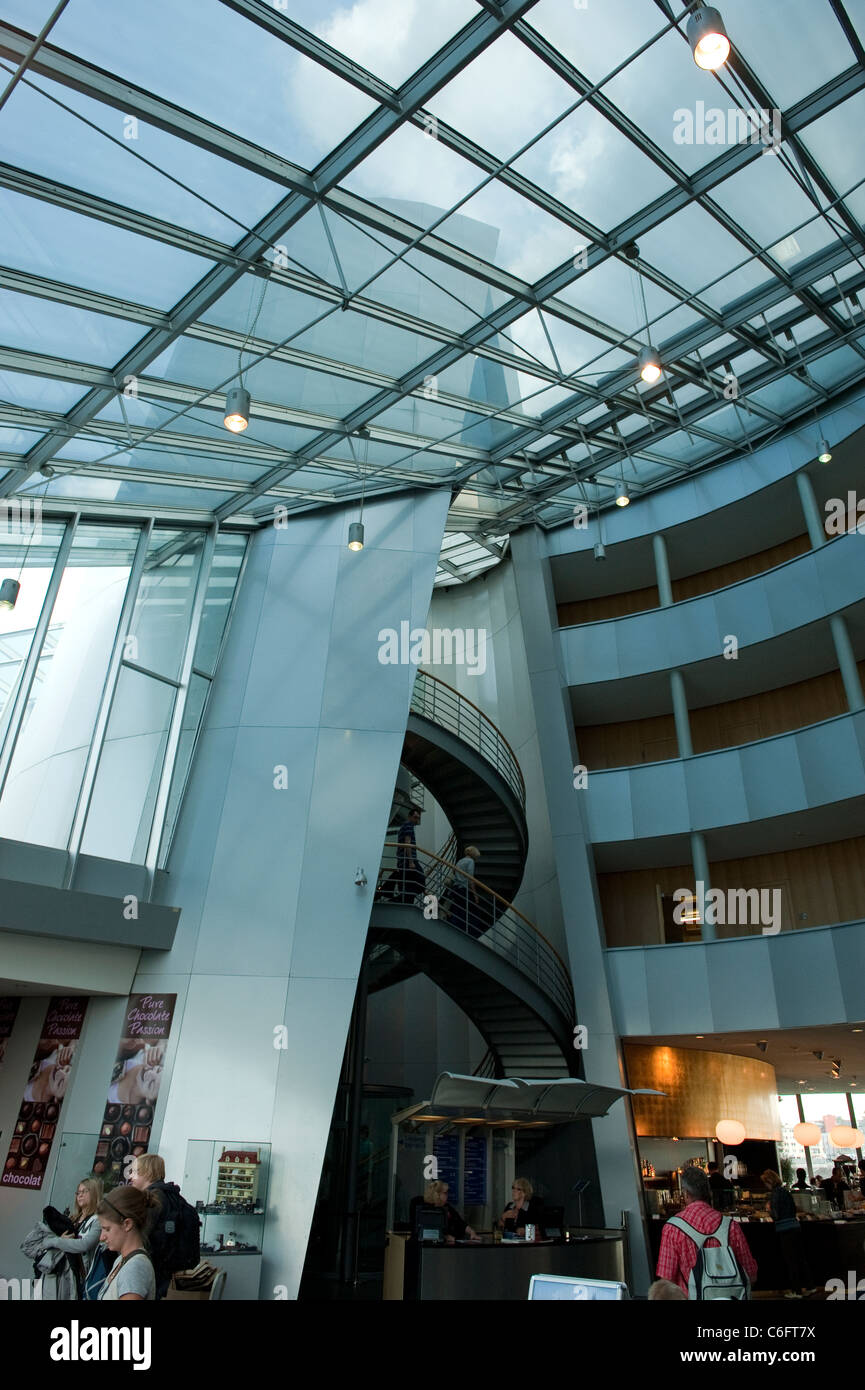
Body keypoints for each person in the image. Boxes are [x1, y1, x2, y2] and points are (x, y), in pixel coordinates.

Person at [656, 1165, 756, 1298]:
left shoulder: (672, 1228)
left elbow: (666, 1280)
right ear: (708, 1192)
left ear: (685, 1193)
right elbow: (751, 1275)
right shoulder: (731, 1226)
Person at [130, 1152, 200, 1298]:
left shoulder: (151, 1201)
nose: (130, 1177)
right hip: (171, 1280)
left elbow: (141, 1242)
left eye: (135, 1172)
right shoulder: (174, 1197)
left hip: (153, 1276)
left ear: (147, 1173)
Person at [41, 1178, 104, 1297]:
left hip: (83, 1278)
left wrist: (57, 1241)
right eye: (78, 1192)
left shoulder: (98, 1220)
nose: (79, 1195)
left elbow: (85, 1245)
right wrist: (59, 1240)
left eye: (84, 1191)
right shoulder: (72, 1218)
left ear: (94, 1193)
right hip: (64, 1275)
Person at [761, 1170, 816, 1299]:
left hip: (785, 1229)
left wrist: (768, 1209)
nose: (765, 1186)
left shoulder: (775, 1194)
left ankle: (796, 1291)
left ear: (769, 1181)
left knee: (791, 1261)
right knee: (801, 1259)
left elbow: (776, 1214)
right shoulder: (785, 1190)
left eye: (765, 1183)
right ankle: (810, 1286)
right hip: (795, 1226)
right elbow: (794, 1208)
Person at [97, 1186, 158, 1301]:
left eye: (107, 1229)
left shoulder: (135, 1267)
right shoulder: (121, 1260)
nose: (102, 1237)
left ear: (127, 1224)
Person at [422, 1179, 479, 1243]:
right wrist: (444, 1237)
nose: (447, 1195)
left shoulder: (448, 1207)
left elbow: (460, 1223)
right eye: (445, 1193)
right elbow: (428, 1231)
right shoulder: (427, 1209)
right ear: (437, 1195)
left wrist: (472, 1232)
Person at [449, 846, 483, 938]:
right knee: (473, 912)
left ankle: (453, 929)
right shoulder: (470, 861)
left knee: (458, 909)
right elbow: (470, 879)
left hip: (456, 889)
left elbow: (454, 872)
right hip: (463, 889)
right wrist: (475, 894)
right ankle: (472, 934)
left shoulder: (460, 861)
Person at [396, 807, 425, 904]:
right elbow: (407, 843)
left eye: (418, 818)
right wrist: (411, 861)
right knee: (420, 879)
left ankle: (405, 898)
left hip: (403, 860)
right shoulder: (408, 825)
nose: (417, 819)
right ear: (409, 817)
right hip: (407, 860)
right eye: (415, 817)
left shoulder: (405, 826)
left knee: (408, 883)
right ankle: (404, 897)